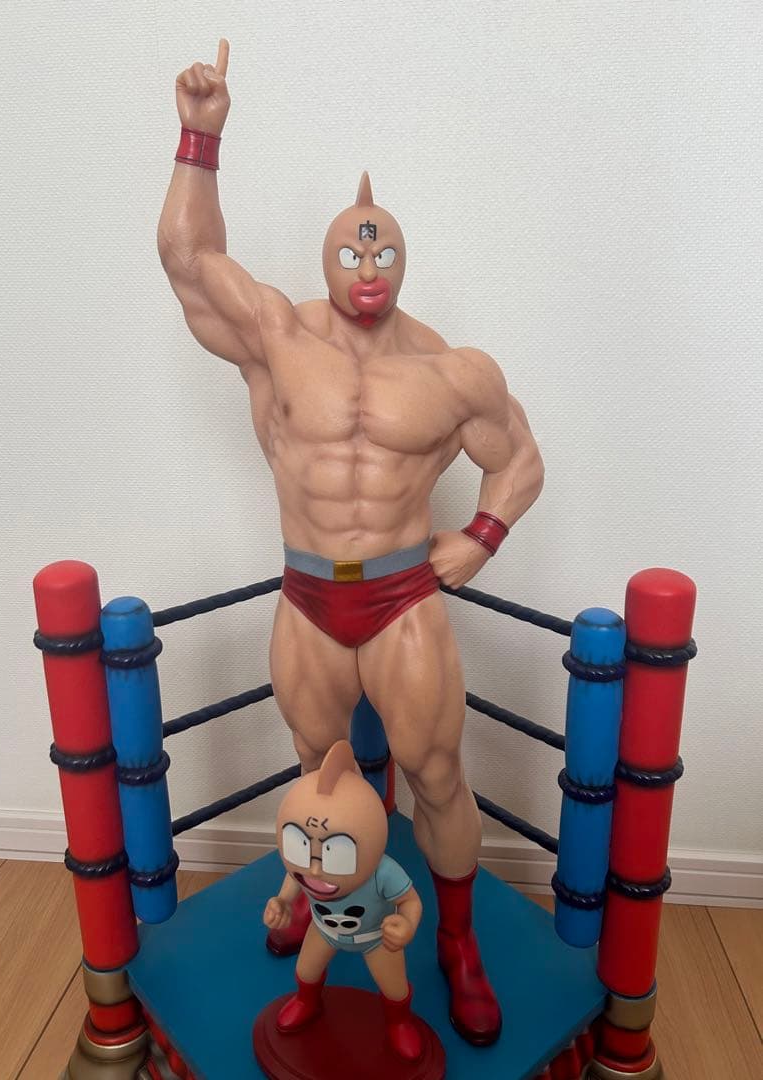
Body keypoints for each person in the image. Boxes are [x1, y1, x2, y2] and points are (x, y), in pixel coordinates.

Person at [159, 39, 544, 1046]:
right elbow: (190, 264)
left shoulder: (452, 370)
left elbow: (521, 461)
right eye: (350, 254)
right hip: (308, 598)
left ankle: (455, 940)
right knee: (316, 767)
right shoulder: (279, 336)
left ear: (402, 260)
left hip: (402, 597)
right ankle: (318, 899)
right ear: (328, 259)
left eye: (382, 254)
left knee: (437, 774)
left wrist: (483, 536)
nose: (367, 269)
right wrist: (199, 138)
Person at [264, 740, 425, 1061]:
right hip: (323, 930)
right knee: (306, 970)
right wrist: (281, 902)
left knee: (395, 987)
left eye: (336, 852)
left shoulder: (383, 872)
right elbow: (295, 877)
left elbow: (411, 901)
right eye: (299, 845)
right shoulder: (304, 869)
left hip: (376, 938)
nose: (314, 870)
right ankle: (307, 1000)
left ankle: (399, 1022)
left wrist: (406, 924)